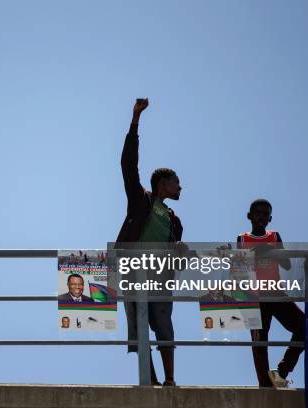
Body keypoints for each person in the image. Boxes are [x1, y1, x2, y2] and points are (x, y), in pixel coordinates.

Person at [115, 98, 183, 387]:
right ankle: (150, 379)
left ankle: (169, 379)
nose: (180, 187)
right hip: (134, 272)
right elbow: (128, 164)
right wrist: (135, 119)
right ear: (162, 183)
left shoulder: (174, 220)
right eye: (176, 181)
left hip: (159, 277)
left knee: (164, 326)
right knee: (140, 326)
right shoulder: (141, 201)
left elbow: (176, 254)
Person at [237, 198, 304, 388]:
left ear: (270, 218)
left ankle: (281, 371)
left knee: (304, 327)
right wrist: (254, 253)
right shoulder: (242, 238)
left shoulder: (274, 237)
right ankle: (265, 386)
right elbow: (239, 270)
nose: (261, 216)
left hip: (276, 293)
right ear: (249, 216)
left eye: (265, 214)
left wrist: (268, 250)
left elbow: (287, 263)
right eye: (257, 212)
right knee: (259, 343)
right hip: (255, 297)